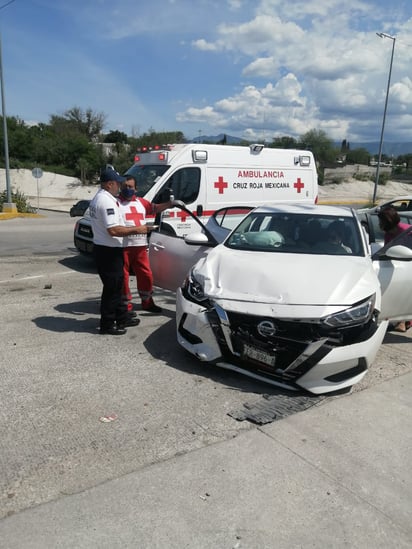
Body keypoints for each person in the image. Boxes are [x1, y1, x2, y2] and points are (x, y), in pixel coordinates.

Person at [89, 167, 157, 335]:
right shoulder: (105, 201)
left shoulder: (104, 198)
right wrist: (138, 229)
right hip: (108, 251)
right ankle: (107, 324)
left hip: (110, 249)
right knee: (112, 289)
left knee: (118, 286)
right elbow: (113, 230)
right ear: (109, 184)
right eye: (118, 183)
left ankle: (122, 316)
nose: (121, 186)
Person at [119, 175, 175, 313]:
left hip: (140, 246)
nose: (127, 189)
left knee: (146, 274)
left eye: (130, 187)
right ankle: (125, 306)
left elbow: (154, 208)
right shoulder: (116, 203)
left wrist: (170, 204)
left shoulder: (141, 202)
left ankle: (147, 302)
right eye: (125, 186)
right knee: (123, 278)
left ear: (136, 189)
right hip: (122, 246)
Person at [378, 206, 411, 332]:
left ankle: (404, 321)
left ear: (388, 220)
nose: (380, 224)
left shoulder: (407, 231)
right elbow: (386, 251)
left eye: (381, 221)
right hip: (399, 266)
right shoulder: (388, 234)